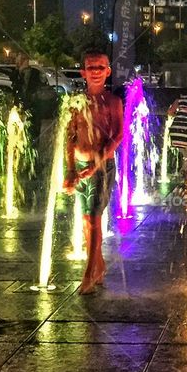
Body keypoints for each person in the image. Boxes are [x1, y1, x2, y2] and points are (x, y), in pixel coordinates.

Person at [62, 49, 124, 294]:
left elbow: (118, 135)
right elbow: (69, 136)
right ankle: (98, 265)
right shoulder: (76, 102)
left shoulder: (112, 102)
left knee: (94, 218)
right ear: (83, 72)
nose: (96, 72)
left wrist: (96, 164)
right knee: (85, 220)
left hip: (101, 168)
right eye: (91, 68)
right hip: (79, 165)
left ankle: (89, 273)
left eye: (101, 67)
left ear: (108, 71)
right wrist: (70, 169)